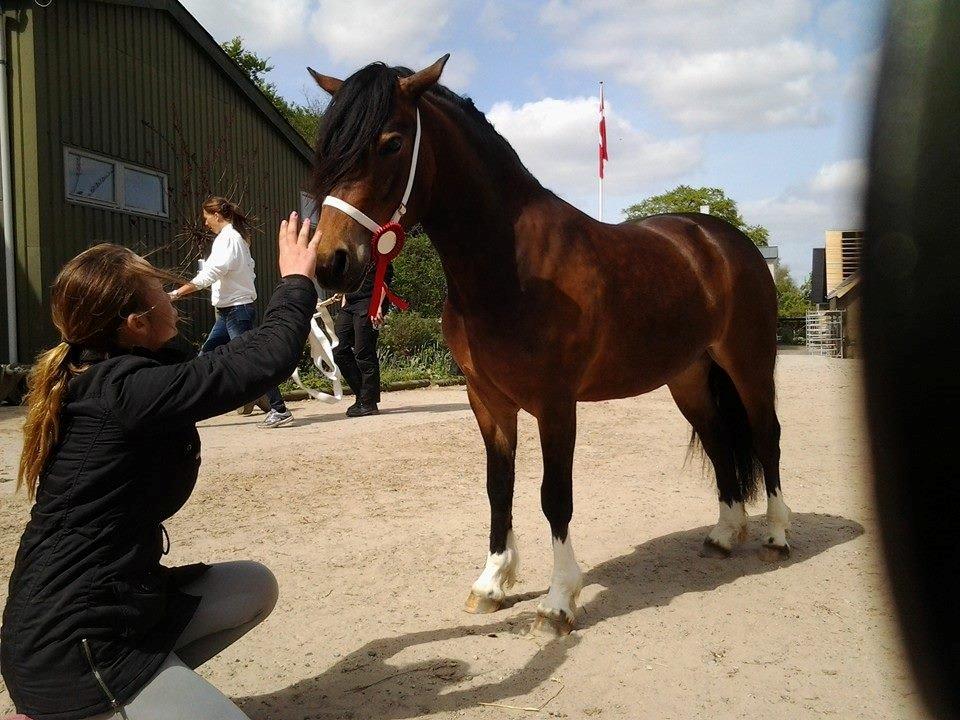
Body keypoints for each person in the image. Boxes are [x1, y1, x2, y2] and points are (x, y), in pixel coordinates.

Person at [0, 213, 320, 720]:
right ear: (135, 324)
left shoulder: (118, 371)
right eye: (158, 290)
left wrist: (160, 332)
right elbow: (262, 361)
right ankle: (82, 709)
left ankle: (145, 693)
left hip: (120, 609)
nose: (171, 293)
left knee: (253, 587)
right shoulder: (124, 391)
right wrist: (297, 282)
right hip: (72, 648)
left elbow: (200, 364)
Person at [171, 197, 293, 428]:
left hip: (237, 311)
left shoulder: (228, 239)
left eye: (206, 218)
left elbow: (212, 273)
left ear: (216, 215)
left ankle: (279, 409)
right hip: (230, 311)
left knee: (253, 359)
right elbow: (249, 273)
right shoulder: (235, 239)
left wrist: (177, 293)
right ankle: (187, 408)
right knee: (205, 356)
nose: (205, 223)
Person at [333, 262, 393, 417]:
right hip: (350, 303)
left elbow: (384, 282)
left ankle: (368, 403)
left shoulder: (381, 254)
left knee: (363, 352)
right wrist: (344, 303)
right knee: (338, 349)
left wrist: (378, 306)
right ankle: (363, 395)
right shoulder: (354, 254)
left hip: (369, 302)